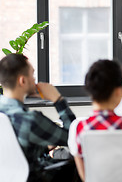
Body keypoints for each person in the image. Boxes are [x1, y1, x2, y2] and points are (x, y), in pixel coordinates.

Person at [0, 54, 78, 182]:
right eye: (32, 74)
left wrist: (44, 146)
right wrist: (58, 100)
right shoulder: (31, 120)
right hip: (34, 178)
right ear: (22, 81)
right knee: (77, 164)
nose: (34, 79)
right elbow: (74, 137)